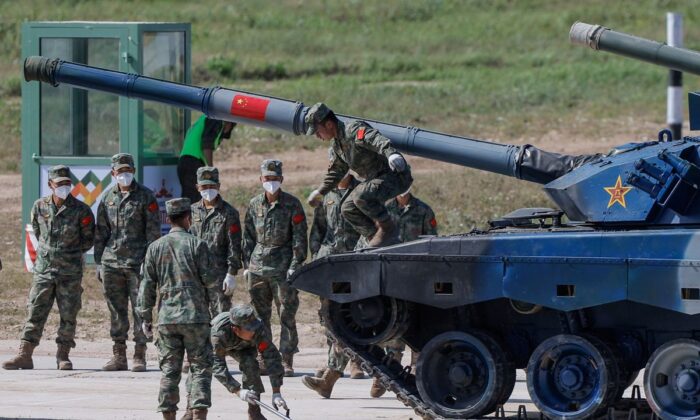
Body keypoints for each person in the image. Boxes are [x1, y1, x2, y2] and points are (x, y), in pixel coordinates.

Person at [2, 165, 95, 371]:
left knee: (68, 314)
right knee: (35, 310)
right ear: (50, 185)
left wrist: (66, 253)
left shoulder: (81, 210)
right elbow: (37, 230)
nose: (64, 187)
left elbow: (88, 240)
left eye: (67, 184)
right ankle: (25, 354)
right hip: (44, 270)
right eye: (59, 184)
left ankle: (63, 356)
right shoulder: (39, 206)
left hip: (69, 273)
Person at [137, 198, 218, 420]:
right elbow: (212, 283)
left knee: (169, 372)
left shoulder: (155, 247)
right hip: (196, 318)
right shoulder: (198, 245)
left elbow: (146, 286)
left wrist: (145, 317)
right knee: (200, 369)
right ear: (188, 218)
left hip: (167, 319)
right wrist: (218, 314)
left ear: (167, 218)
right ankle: (199, 415)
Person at [305, 102, 412, 247]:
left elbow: (375, 139)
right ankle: (376, 237)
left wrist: (391, 154)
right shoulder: (337, 145)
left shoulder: (353, 130)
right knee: (347, 208)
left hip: (394, 176)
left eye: (318, 131)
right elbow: (336, 172)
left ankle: (388, 228)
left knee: (360, 196)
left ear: (329, 124)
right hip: (376, 180)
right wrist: (320, 192)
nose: (317, 136)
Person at [95, 153, 161, 372]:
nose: (125, 175)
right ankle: (119, 355)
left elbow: (153, 233)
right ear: (113, 173)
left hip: (137, 263)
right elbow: (101, 233)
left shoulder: (146, 197)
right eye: (120, 171)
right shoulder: (107, 198)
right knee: (116, 310)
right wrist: (98, 263)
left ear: (134, 171)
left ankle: (139, 355)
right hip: (111, 262)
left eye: (128, 171)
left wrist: (149, 261)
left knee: (141, 309)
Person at [302, 173, 366, 399]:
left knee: (346, 318)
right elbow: (318, 228)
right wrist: (316, 254)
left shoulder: (362, 191)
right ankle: (332, 368)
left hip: (351, 263)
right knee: (329, 316)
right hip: (329, 262)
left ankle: (334, 372)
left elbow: (368, 229)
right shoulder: (326, 194)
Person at [371, 189, 439, 398]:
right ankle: (385, 376)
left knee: (417, 325)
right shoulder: (384, 209)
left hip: (416, 276)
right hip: (390, 274)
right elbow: (375, 239)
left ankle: (419, 380)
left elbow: (432, 242)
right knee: (393, 325)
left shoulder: (423, 210)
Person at [243, 159, 307, 377]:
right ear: (261, 179)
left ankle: (287, 358)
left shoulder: (292, 204)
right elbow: (248, 237)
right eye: (267, 178)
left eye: (274, 179)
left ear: (281, 179)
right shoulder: (254, 205)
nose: (270, 182)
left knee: (286, 314)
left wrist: (295, 264)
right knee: (259, 316)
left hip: (282, 267)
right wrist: (246, 265)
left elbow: (299, 238)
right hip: (258, 267)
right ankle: (264, 358)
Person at [208, 304, 288, 420]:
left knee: (251, 363)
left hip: (245, 346)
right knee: (199, 371)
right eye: (249, 329)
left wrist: (276, 392)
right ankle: (192, 411)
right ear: (236, 329)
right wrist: (237, 390)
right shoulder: (219, 334)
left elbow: (272, 357)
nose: (253, 331)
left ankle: (254, 412)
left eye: (254, 327)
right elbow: (217, 366)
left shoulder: (258, 329)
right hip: (220, 345)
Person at [189, 166, 243, 316]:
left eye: (212, 186)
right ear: (197, 187)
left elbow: (235, 245)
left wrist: (231, 274)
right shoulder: (191, 211)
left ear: (218, 186)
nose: (208, 190)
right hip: (195, 273)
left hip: (219, 274)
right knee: (198, 317)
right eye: (204, 186)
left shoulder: (229, 213)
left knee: (220, 318)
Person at [178, 115, 235, 203]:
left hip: (184, 162)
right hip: (193, 163)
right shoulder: (216, 118)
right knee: (193, 200)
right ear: (229, 124)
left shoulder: (205, 118)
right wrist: (210, 170)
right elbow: (207, 145)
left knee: (188, 198)